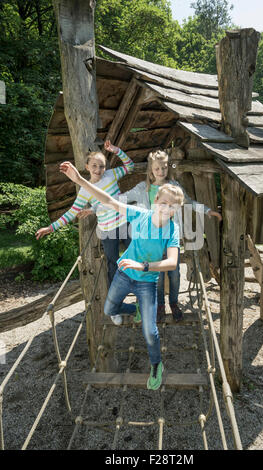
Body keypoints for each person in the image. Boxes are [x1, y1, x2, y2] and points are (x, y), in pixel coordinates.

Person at [60, 158, 184, 390]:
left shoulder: (172, 229)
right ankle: (133, 308)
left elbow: (172, 262)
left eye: (173, 206)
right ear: (156, 200)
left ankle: (156, 364)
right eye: (164, 203)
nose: (167, 208)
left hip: (146, 281)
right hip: (125, 274)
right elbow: (107, 199)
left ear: (176, 209)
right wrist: (79, 180)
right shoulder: (140, 215)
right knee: (109, 309)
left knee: (150, 331)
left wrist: (143, 267)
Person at [35, 140, 137, 316]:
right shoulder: (84, 190)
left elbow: (130, 165)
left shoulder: (111, 175)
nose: (98, 170)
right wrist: (51, 227)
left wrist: (115, 150)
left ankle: (143, 293)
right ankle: (117, 305)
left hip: (125, 223)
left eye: (102, 166)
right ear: (87, 167)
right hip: (107, 231)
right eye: (95, 166)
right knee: (112, 264)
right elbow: (71, 213)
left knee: (137, 254)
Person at [120, 149, 222, 322]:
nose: (161, 172)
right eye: (157, 168)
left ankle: (174, 303)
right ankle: (160, 306)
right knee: (158, 276)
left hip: (170, 237)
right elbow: (120, 198)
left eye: (164, 168)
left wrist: (207, 211)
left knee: (174, 274)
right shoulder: (142, 189)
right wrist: (98, 203)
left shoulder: (174, 187)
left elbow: (188, 201)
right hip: (151, 239)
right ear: (151, 170)